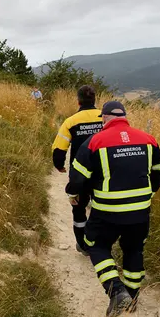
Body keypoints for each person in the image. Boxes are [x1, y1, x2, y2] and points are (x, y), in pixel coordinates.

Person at [66, 101, 160, 317]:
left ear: (104, 118)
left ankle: (116, 290)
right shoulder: (148, 140)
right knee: (134, 249)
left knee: (96, 245)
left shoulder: (95, 142)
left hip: (106, 211)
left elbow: (77, 178)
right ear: (125, 117)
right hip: (140, 210)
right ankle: (132, 297)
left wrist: (73, 194)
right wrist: (149, 194)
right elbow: (158, 172)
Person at [51, 85, 104, 255]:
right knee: (101, 206)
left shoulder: (71, 121)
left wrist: (59, 165)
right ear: (95, 100)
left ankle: (82, 244)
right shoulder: (105, 117)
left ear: (78, 101)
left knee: (79, 208)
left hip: (79, 173)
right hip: (103, 171)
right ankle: (99, 240)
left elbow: (59, 148)